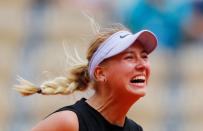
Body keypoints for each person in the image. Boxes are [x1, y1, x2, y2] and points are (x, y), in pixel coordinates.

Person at [15, 23, 157, 131]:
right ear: (100, 73)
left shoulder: (135, 129)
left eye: (144, 57)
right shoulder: (69, 122)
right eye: (129, 58)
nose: (142, 65)